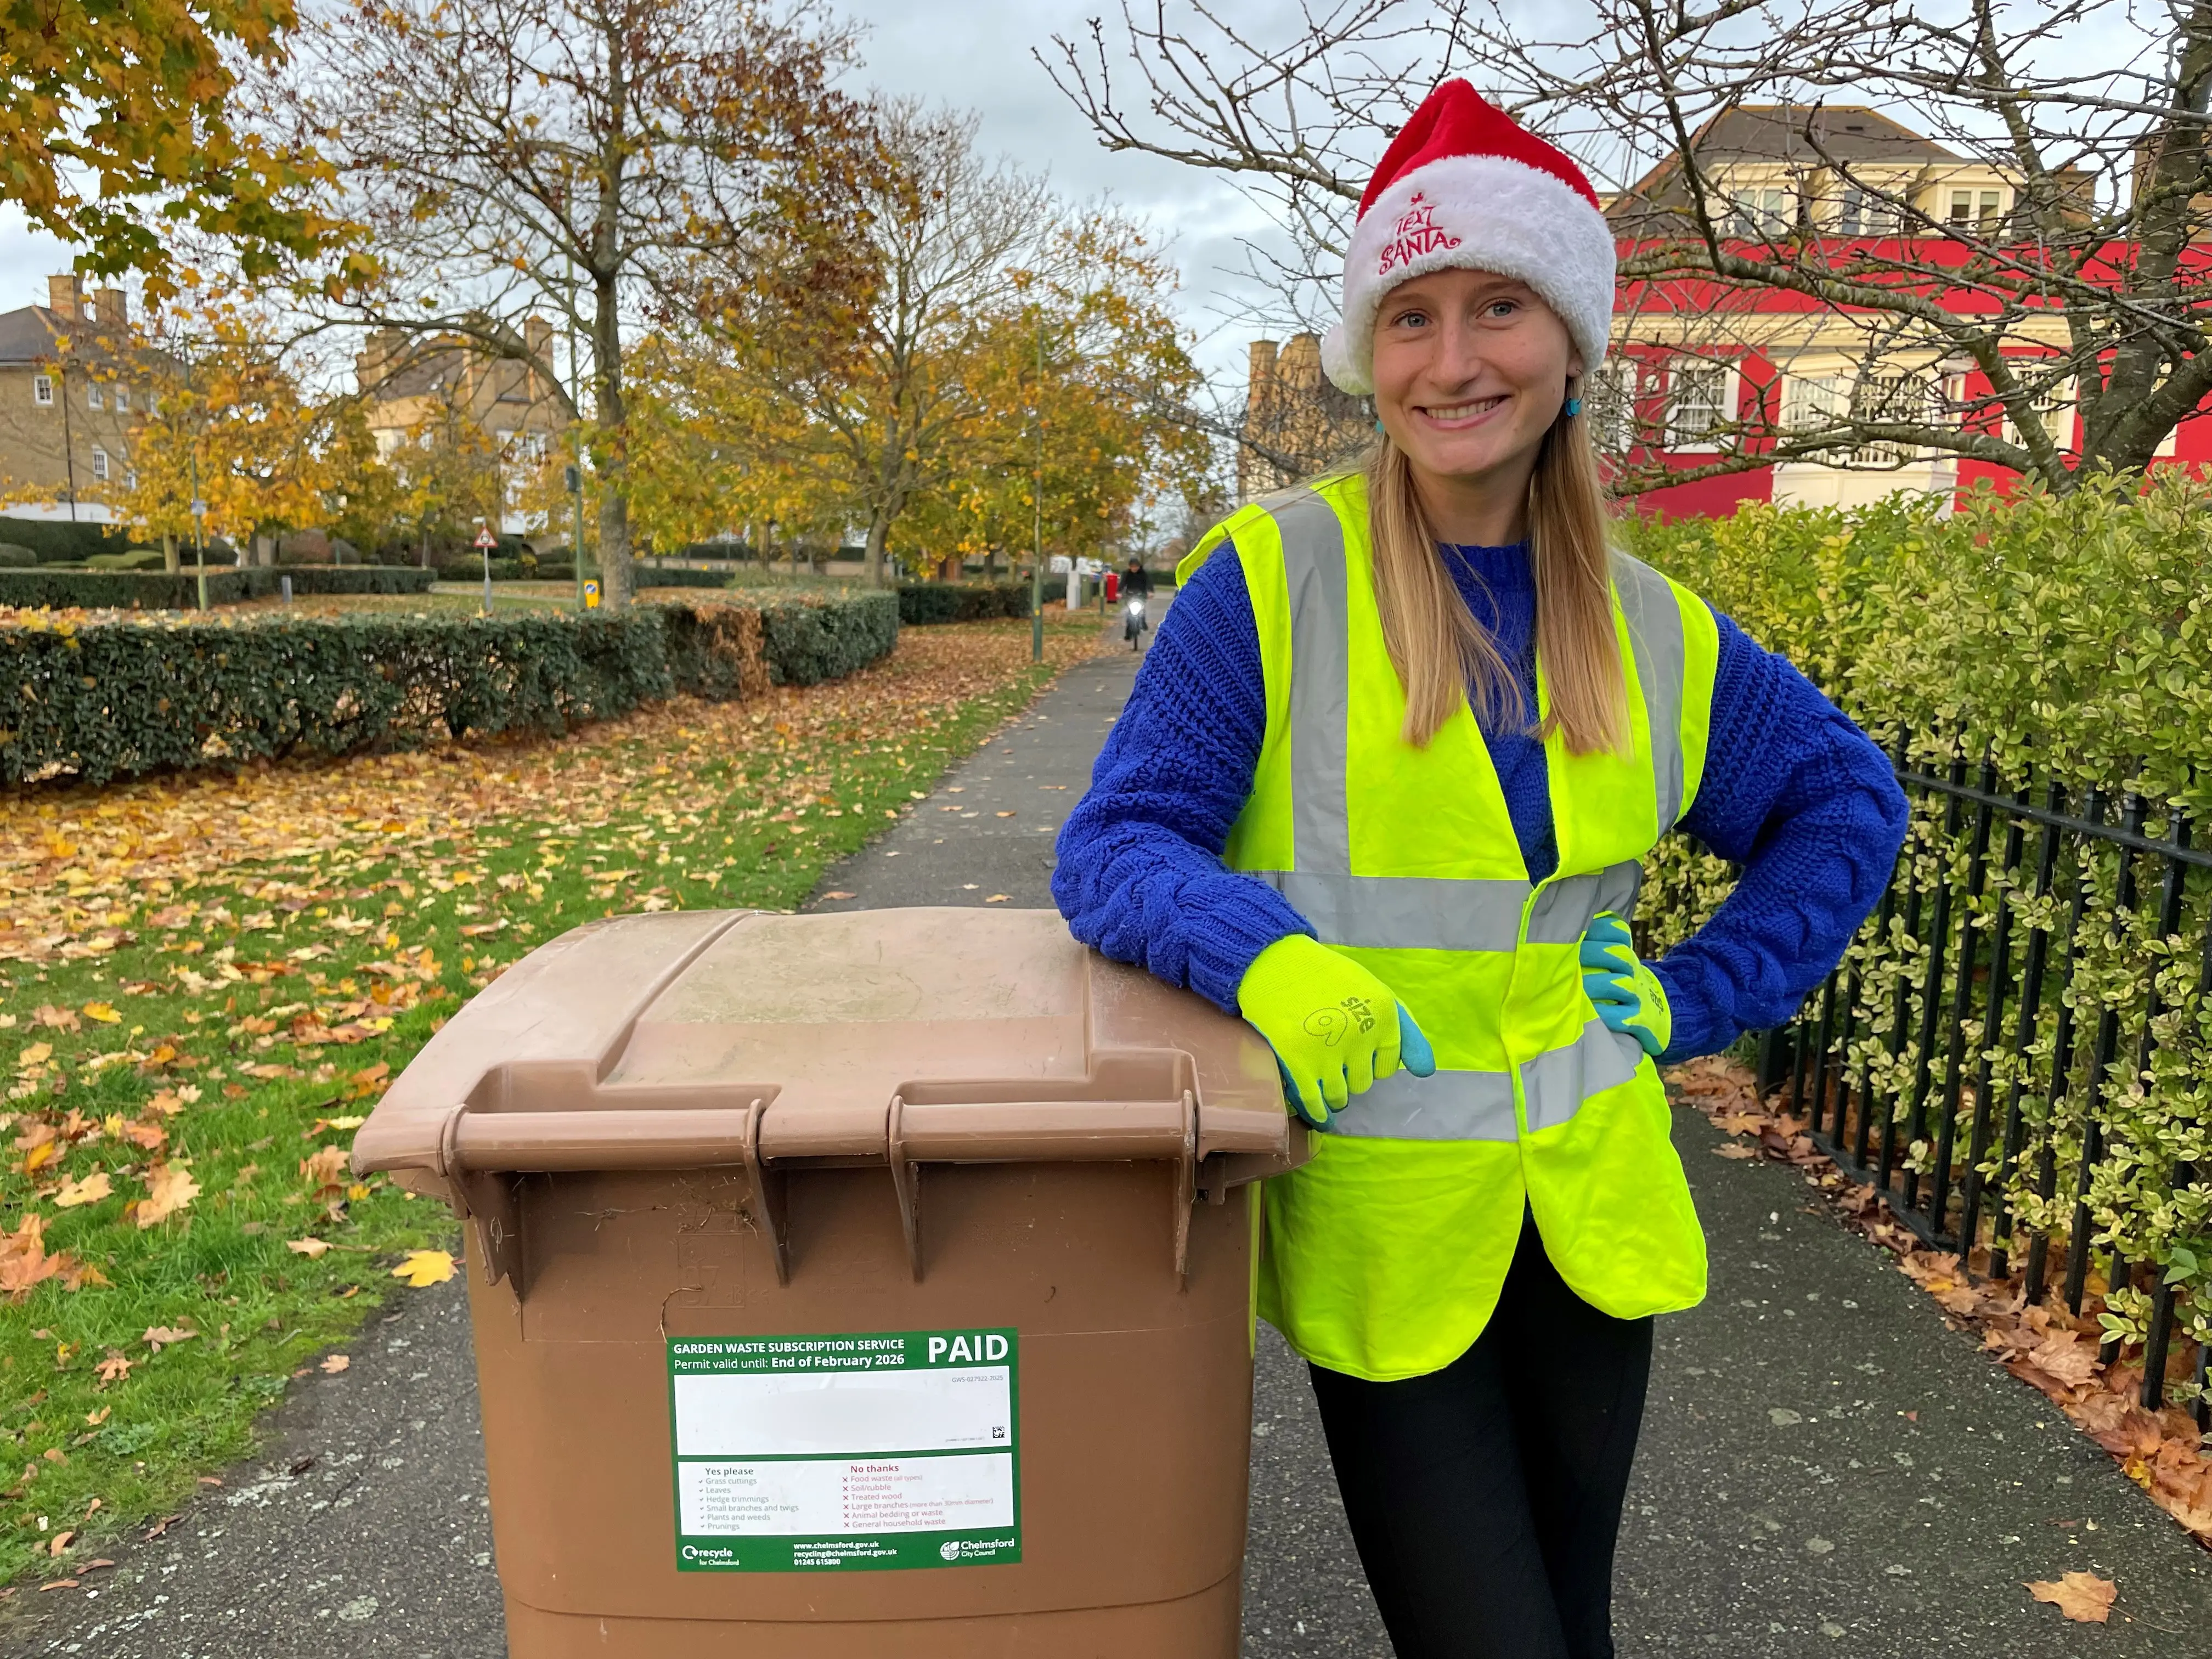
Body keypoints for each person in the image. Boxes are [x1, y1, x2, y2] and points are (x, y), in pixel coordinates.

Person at [1052, 81, 1907, 1659]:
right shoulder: (1271, 582)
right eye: (1412, 317)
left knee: (1569, 1629)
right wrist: (1265, 957)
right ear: (1368, 354)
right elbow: (1116, 843)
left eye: (1498, 306)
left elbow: (1850, 802)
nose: (1453, 362)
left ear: (1572, 337)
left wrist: (1707, 988)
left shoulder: (1648, 626)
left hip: (1589, 1216)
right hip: (1388, 1225)